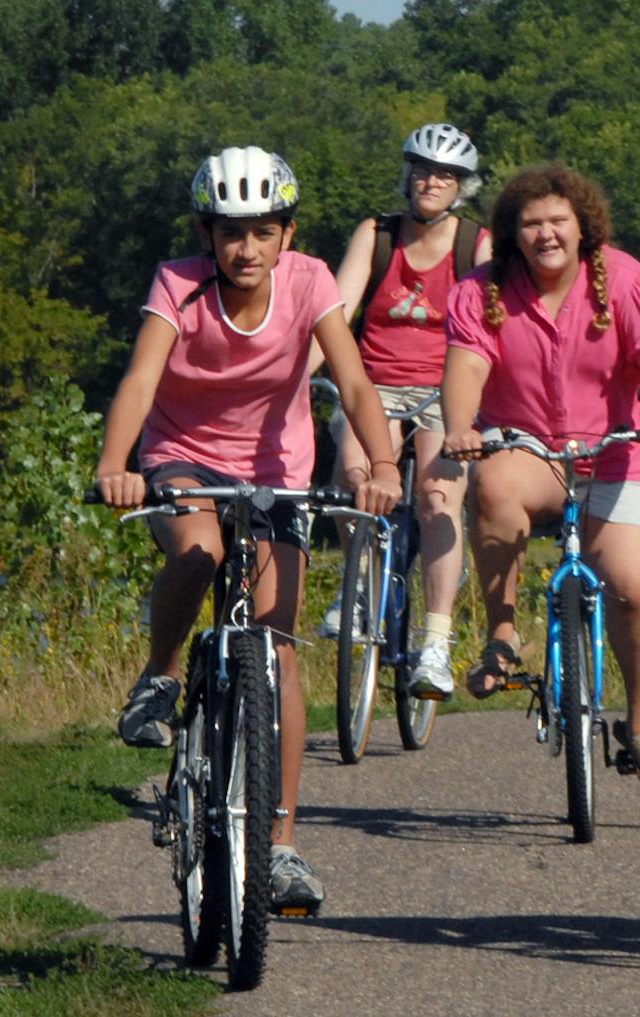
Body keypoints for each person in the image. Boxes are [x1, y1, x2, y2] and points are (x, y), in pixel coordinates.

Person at [95, 146, 402, 913]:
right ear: (207, 235)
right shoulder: (179, 284)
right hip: (184, 458)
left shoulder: (310, 282)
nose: (247, 248)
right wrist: (116, 462)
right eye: (231, 232)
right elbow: (139, 378)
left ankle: (283, 844)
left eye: (263, 231)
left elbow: (354, 378)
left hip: (277, 472)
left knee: (279, 648)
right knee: (198, 550)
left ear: (287, 235)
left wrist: (386, 464)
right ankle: (161, 675)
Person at [439, 164, 640, 798]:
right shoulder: (481, 290)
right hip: (531, 448)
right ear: (511, 233)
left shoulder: (624, 281)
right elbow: (465, 366)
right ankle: (503, 633)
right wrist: (461, 426)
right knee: (492, 486)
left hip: (621, 450)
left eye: (558, 222)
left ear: (583, 226)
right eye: (531, 224)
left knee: (630, 585)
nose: (546, 235)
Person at [314, 123, 492, 700]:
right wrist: (296, 375)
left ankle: (435, 643)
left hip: (447, 390)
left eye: (444, 174)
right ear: (406, 174)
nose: (430, 181)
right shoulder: (378, 233)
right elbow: (335, 312)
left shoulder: (475, 244)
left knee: (440, 499)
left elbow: (491, 329)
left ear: (461, 186)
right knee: (354, 474)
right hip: (375, 384)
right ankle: (359, 585)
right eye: (421, 169)